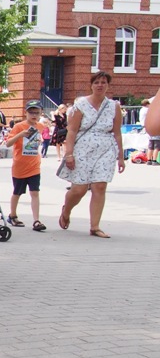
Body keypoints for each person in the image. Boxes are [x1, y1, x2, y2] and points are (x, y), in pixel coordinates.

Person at [58, 71, 125, 238]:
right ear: (91, 85)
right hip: (83, 148)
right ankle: (66, 210)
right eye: (97, 82)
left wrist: (121, 156)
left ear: (108, 85)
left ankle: (95, 226)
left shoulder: (114, 106)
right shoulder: (81, 105)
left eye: (103, 82)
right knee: (79, 189)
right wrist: (69, 154)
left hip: (106, 148)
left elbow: (117, 132)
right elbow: (72, 131)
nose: (100, 85)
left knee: (99, 186)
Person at [3, 100, 47, 232]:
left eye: (37, 113)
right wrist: (21, 134)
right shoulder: (19, 126)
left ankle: (36, 220)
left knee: (35, 192)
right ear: (25, 113)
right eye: (31, 112)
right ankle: (12, 215)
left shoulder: (40, 126)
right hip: (20, 166)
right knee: (17, 192)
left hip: (34, 165)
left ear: (40, 113)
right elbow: (8, 143)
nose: (34, 115)